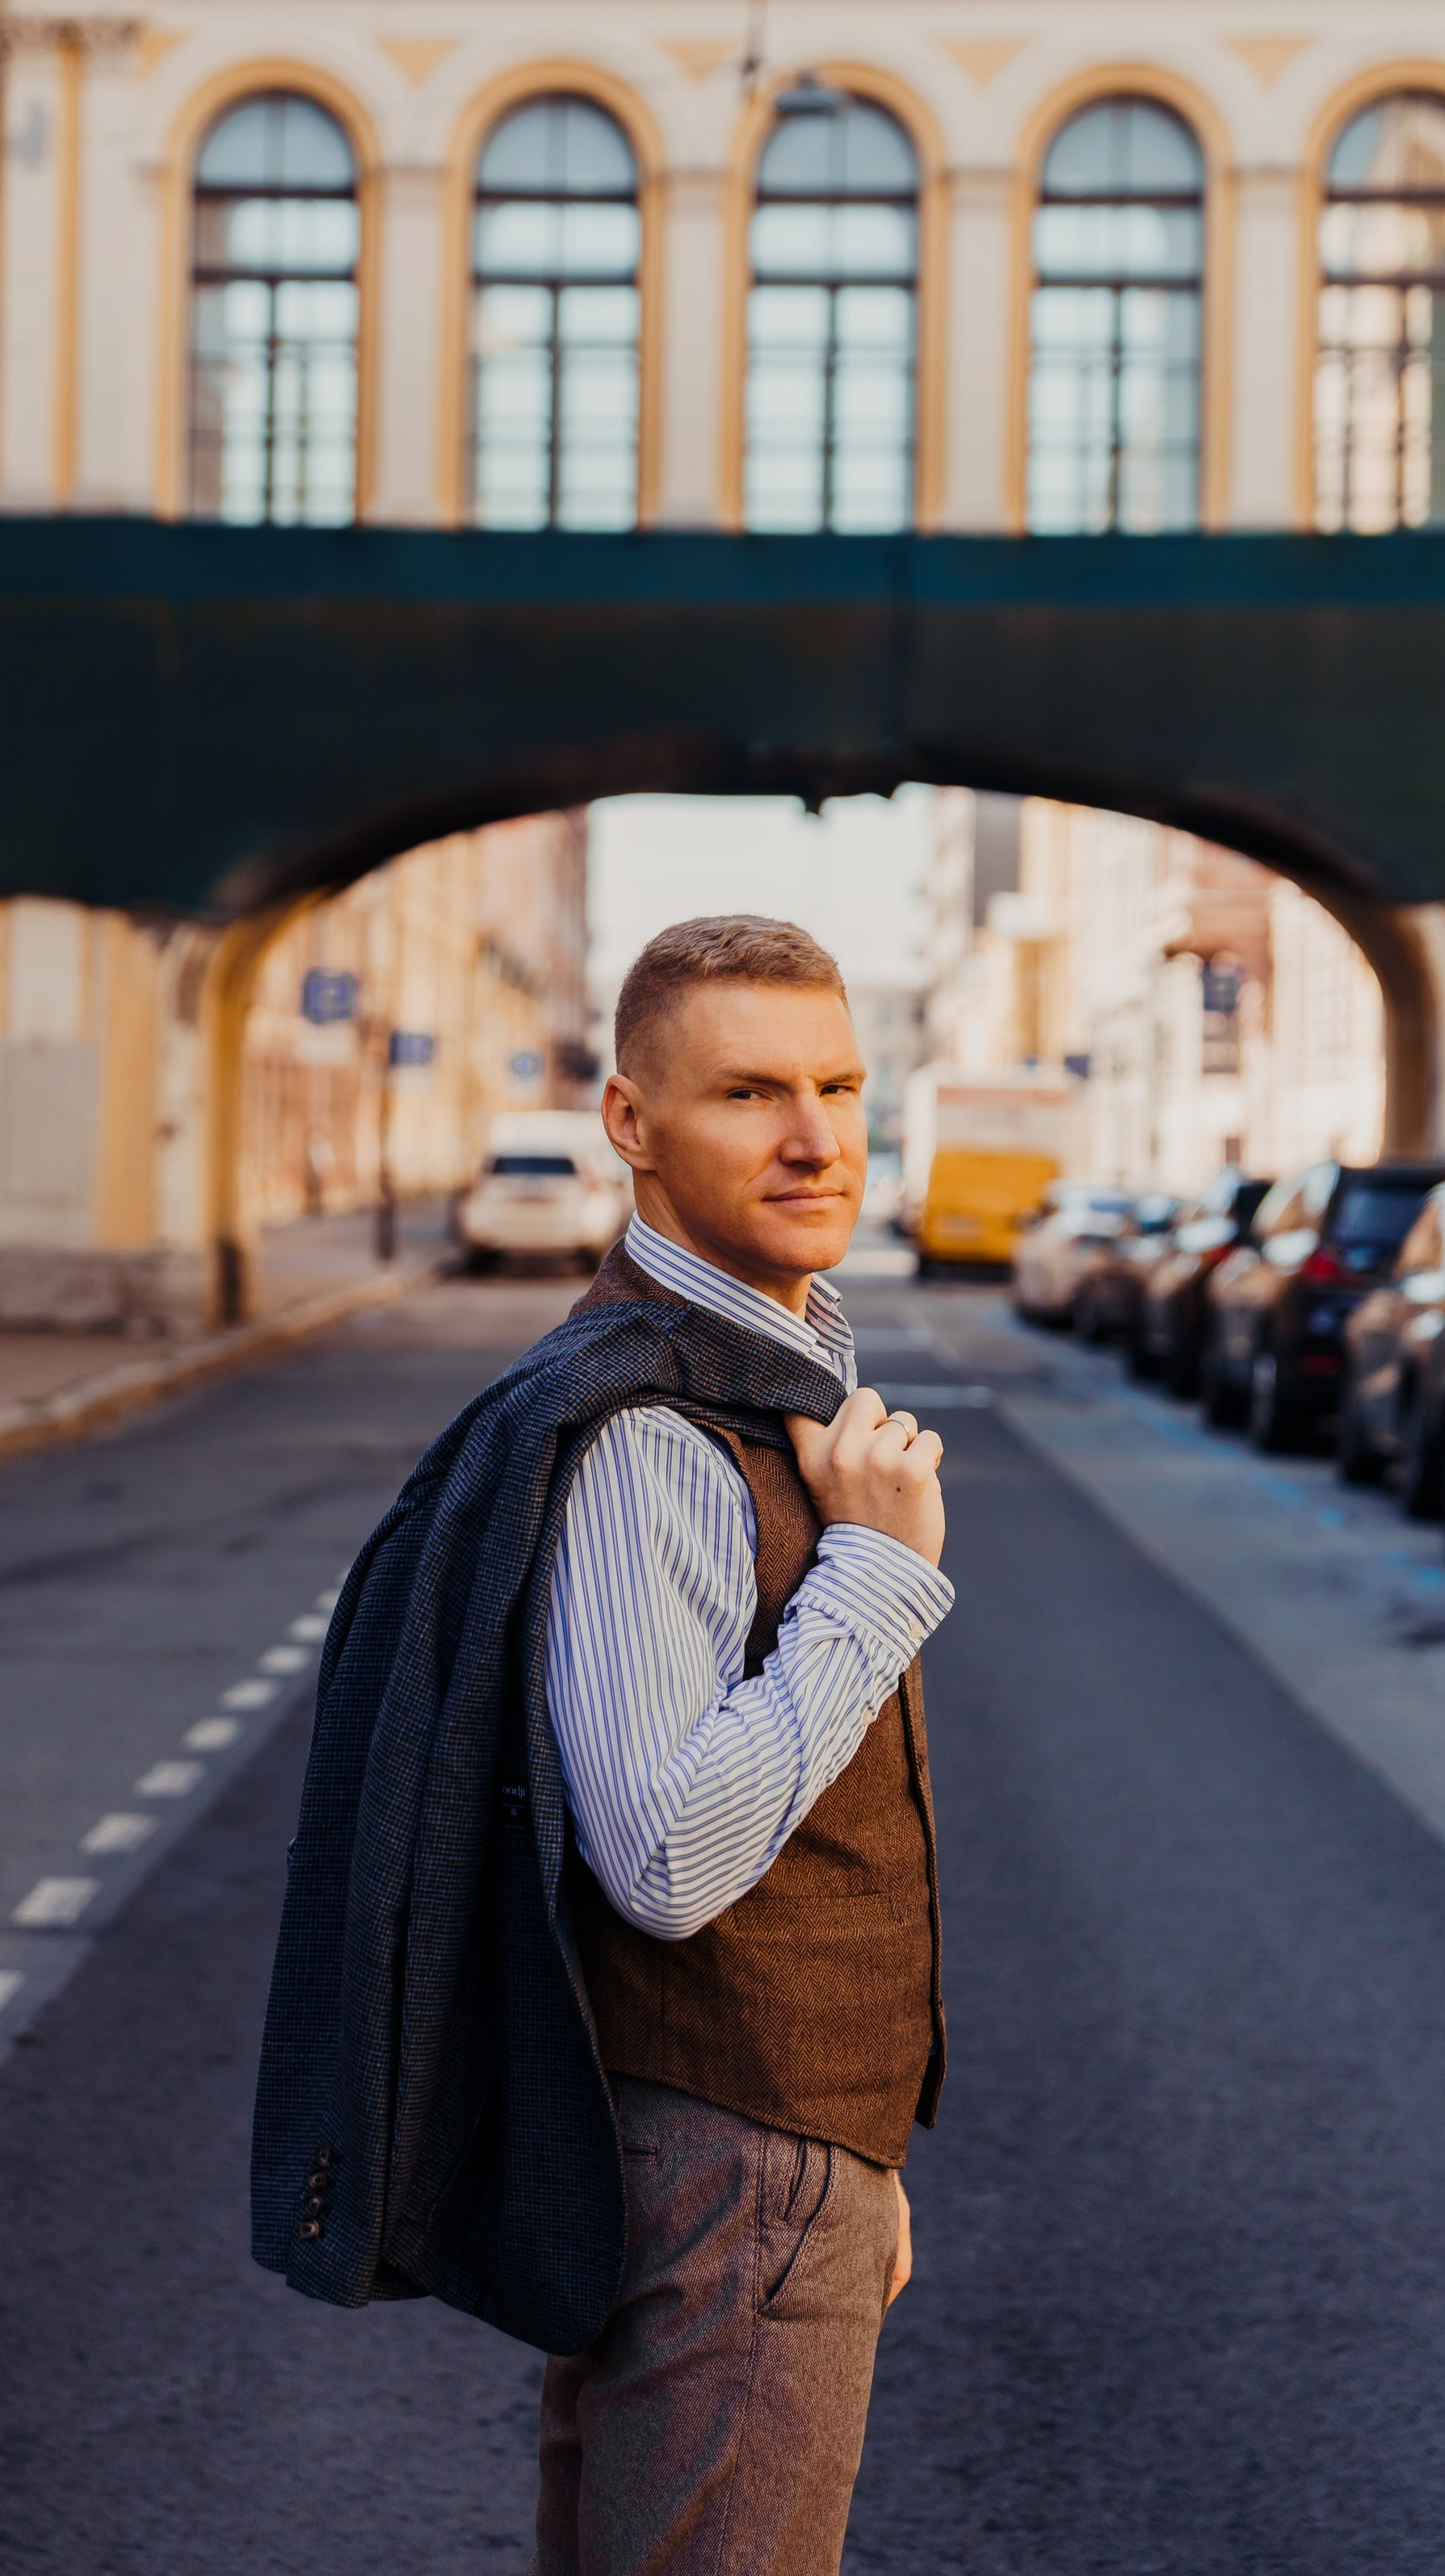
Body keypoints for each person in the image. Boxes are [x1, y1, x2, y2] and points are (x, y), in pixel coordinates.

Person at [252, 916, 952, 2576]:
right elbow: (665, 1859)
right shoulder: (655, 1431)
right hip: (731, 2163)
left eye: (839, 1086)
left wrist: (853, 2155)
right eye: (750, 1094)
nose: (816, 1138)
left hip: (747, 2147)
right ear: (630, 1122)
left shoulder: (749, 1374)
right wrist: (874, 1574)